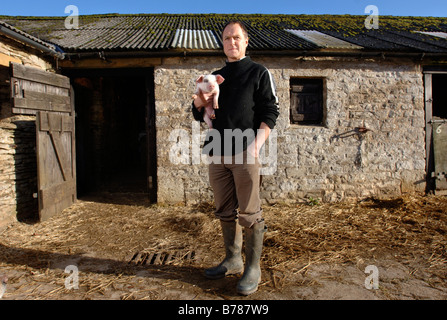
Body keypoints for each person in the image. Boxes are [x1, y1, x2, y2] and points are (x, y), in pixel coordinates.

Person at [191, 20, 279, 295]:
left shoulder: (258, 73)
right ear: (223, 43)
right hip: (217, 151)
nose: (231, 42)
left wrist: (255, 147)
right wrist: (198, 100)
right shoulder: (215, 76)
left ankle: (253, 267)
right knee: (224, 209)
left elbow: (270, 112)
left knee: (250, 212)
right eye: (227, 38)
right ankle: (232, 259)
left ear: (246, 41)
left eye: (236, 37)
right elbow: (197, 112)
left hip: (244, 152)